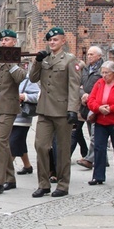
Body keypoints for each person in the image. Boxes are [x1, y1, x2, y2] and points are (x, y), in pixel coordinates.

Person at [29, 27, 82, 198]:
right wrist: (37, 61)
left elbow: (73, 87)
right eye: (50, 40)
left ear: (63, 41)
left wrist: (73, 109)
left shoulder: (69, 60)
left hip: (62, 110)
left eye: (55, 40)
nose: (52, 43)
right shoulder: (44, 59)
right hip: (44, 109)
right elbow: (32, 78)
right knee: (41, 146)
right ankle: (43, 184)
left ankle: (63, 184)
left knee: (62, 150)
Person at [0, 30, 27, 194]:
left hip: (9, 107)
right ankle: (10, 178)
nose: (3, 43)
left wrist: (10, 60)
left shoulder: (19, 59)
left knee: (1, 142)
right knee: (0, 143)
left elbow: (20, 77)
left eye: (7, 40)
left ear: (14, 42)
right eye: (2, 40)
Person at [86, 61, 114, 185]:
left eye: (106, 73)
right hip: (100, 120)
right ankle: (98, 176)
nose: (103, 75)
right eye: (102, 73)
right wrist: (98, 108)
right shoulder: (99, 83)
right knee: (99, 147)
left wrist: (111, 108)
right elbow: (91, 100)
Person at [75, 46, 104, 169]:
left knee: (94, 134)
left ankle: (90, 159)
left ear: (99, 56)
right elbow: (80, 85)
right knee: (91, 131)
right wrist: (83, 95)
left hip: (97, 103)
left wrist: (90, 95)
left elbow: (103, 86)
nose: (89, 56)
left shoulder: (103, 68)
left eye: (92, 54)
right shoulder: (86, 69)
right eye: (89, 54)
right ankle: (102, 158)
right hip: (86, 104)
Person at [11, 74, 40, 175]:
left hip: (22, 119)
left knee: (12, 145)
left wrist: (25, 96)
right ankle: (27, 166)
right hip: (9, 117)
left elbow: (38, 96)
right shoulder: (8, 78)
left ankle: (5, 171)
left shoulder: (28, 80)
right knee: (20, 142)